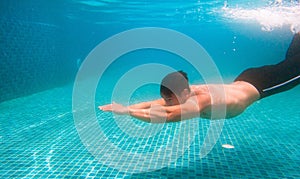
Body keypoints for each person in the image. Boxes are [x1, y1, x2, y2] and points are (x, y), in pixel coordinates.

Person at [99, 33, 300, 123]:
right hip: (246, 78)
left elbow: (168, 116)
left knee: (293, 67)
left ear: (184, 92)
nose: (167, 102)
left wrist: (126, 112)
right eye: (167, 98)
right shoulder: (183, 92)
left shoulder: (201, 100)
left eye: (170, 99)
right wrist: (126, 106)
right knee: (289, 63)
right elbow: (157, 103)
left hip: (262, 85)